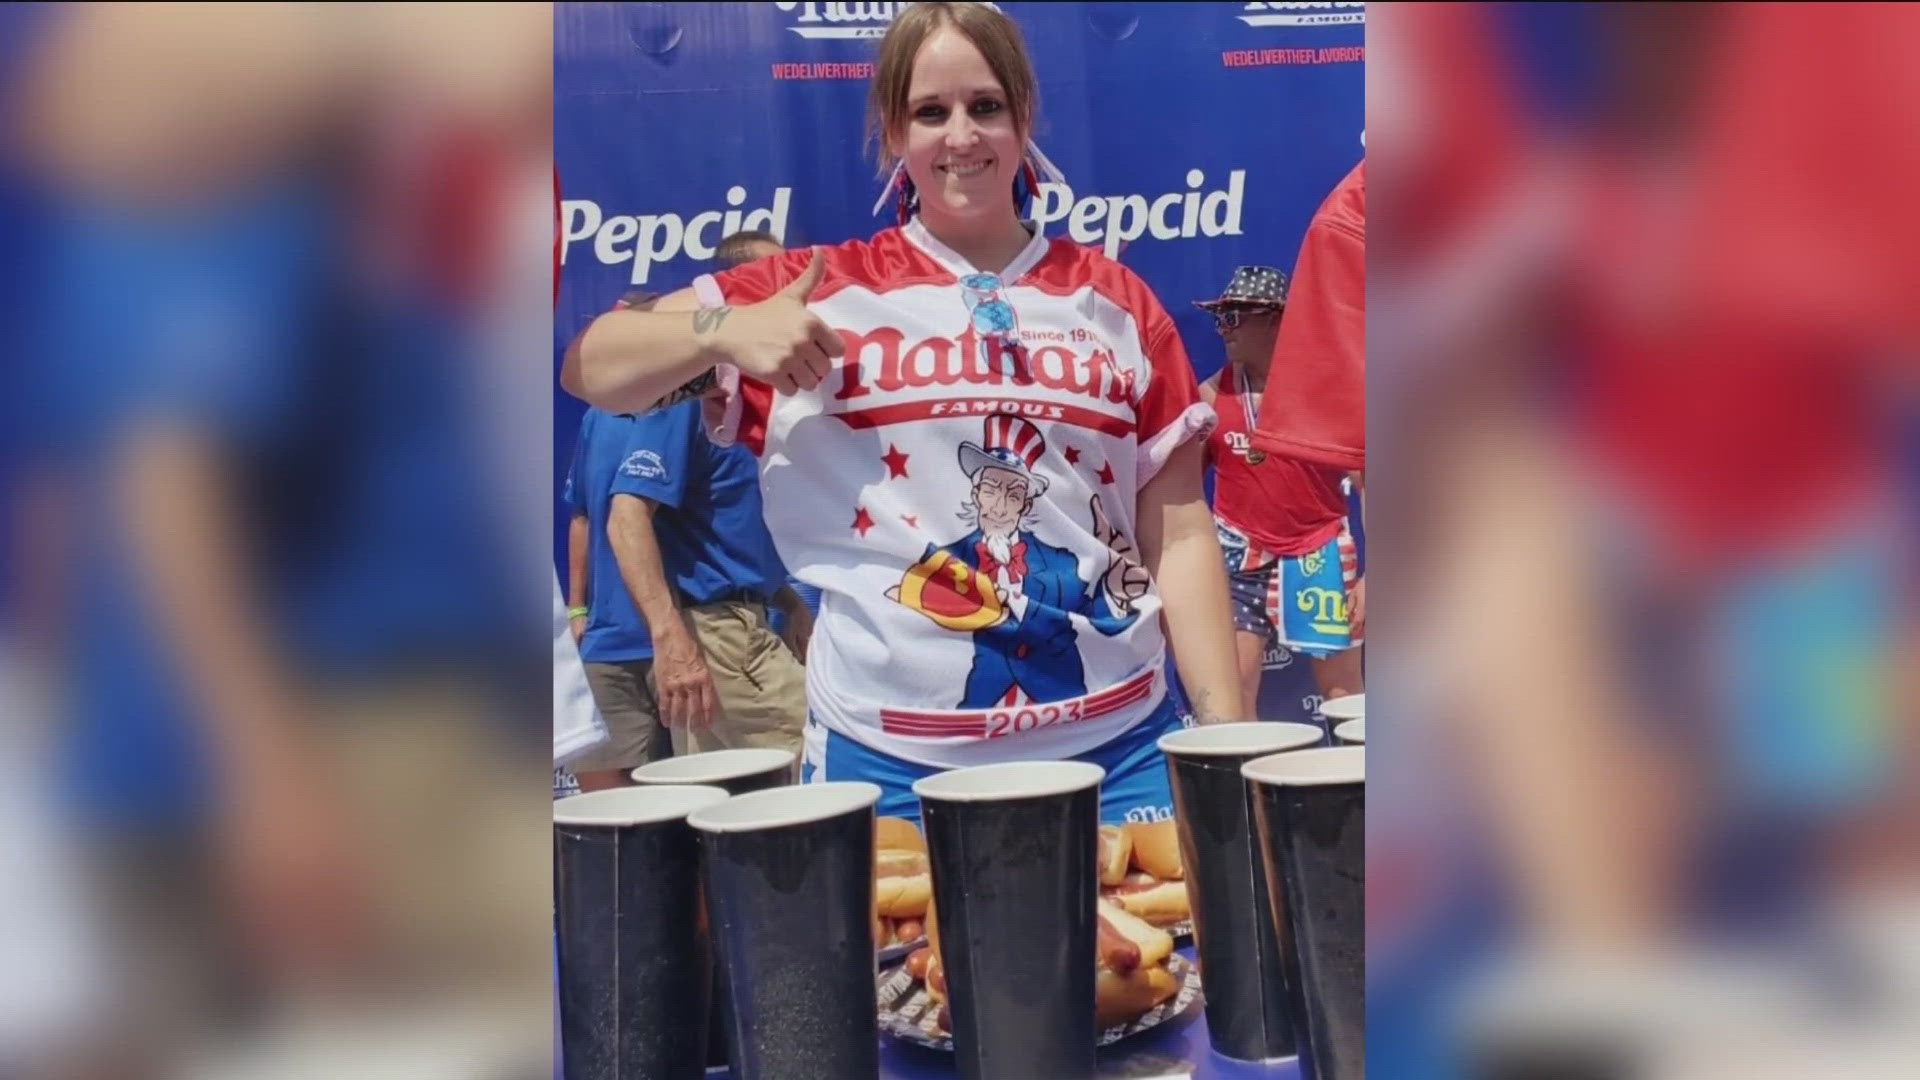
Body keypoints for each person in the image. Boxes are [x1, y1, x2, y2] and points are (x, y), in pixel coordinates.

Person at [560, 1, 1243, 826]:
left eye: (986, 106)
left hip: (1121, 755)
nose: (962, 135)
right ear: (892, 131)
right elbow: (594, 367)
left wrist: (1223, 746)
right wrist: (729, 329)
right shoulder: (822, 287)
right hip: (889, 770)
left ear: (1025, 116)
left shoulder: (1117, 301)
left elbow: (1179, 528)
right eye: (931, 111)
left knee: (1139, 959)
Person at [1197, 266, 1364, 707]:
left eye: (1235, 316)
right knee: (1233, 690)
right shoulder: (1210, 398)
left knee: (1343, 692)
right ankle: (1244, 781)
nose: (1223, 329)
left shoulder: (1328, 394)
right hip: (1238, 554)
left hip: (1317, 552)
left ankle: (1353, 779)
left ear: (1276, 320)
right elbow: (1184, 496)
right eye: (1220, 317)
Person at [563, 401, 668, 790]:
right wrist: (577, 608)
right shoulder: (598, 416)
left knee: (695, 783)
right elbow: (582, 514)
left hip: (684, 636)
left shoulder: (691, 411)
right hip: (607, 636)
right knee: (600, 789)